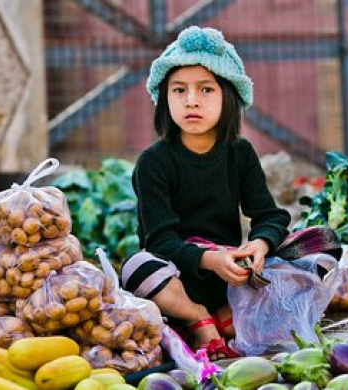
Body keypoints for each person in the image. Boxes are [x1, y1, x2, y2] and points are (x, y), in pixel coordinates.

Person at [120, 25, 293, 361]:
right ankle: (198, 317)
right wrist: (207, 259)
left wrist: (259, 244)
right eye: (179, 90)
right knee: (136, 265)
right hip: (176, 278)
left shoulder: (239, 152)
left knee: (312, 249)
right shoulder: (153, 162)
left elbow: (270, 216)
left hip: (231, 275)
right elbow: (159, 241)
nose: (192, 101)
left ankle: (227, 314)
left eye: (206, 89)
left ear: (229, 96)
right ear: (164, 98)